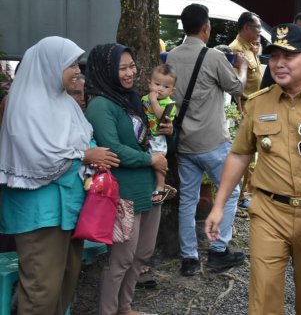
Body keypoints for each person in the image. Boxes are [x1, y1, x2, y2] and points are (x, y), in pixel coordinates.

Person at [205, 23, 301, 315]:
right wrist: (219, 205)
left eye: (289, 56)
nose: (279, 63)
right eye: (274, 56)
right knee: (263, 293)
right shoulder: (259, 103)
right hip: (268, 212)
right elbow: (239, 156)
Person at [0, 36, 119, 315]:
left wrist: (94, 155)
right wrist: (85, 157)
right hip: (40, 215)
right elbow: (35, 157)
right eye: (71, 65)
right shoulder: (24, 106)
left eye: (77, 64)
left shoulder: (64, 103)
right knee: (41, 290)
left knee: (65, 283)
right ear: (50, 65)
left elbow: (83, 139)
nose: (77, 70)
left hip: (71, 209)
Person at [84, 43, 169, 315]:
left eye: (132, 66)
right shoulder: (100, 104)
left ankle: (125, 307)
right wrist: (150, 160)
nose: (130, 72)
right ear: (106, 70)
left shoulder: (131, 98)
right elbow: (112, 148)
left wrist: (167, 130)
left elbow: (149, 139)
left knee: (142, 254)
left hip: (148, 189)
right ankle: (108, 311)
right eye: (122, 68)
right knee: (121, 259)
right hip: (124, 191)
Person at [166, 3, 247, 277]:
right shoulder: (213, 57)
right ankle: (218, 251)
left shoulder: (171, 57)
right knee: (230, 192)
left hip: (185, 144)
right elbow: (237, 87)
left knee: (188, 200)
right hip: (213, 143)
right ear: (205, 27)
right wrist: (244, 68)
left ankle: (189, 258)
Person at [229, 11, 264, 209]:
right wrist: (240, 113)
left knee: (252, 156)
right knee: (244, 154)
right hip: (243, 110)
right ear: (245, 28)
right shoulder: (236, 50)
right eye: (256, 27)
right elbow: (235, 87)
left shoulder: (250, 48)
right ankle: (240, 196)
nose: (259, 31)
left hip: (254, 108)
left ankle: (245, 193)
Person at [141, 64, 178, 204]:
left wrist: (154, 101)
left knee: (159, 160)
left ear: (172, 90)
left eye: (166, 87)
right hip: (146, 136)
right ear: (149, 82)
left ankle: (160, 185)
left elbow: (160, 116)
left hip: (158, 137)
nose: (160, 89)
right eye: (157, 84)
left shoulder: (169, 104)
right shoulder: (144, 98)